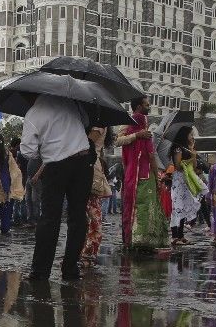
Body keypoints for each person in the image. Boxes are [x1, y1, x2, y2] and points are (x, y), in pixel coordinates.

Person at [20, 92, 94, 280]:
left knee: (50, 218)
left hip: (55, 166)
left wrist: (46, 152)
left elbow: (27, 150)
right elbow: (85, 122)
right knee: (77, 217)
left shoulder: (34, 113)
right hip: (83, 161)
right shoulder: (70, 101)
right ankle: (70, 269)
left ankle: (41, 271)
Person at [114, 96, 164, 250]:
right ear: (137, 107)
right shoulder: (131, 124)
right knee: (140, 207)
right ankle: (136, 239)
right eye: (146, 105)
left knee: (137, 206)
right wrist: (136, 135)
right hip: (137, 173)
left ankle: (136, 239)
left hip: (135, 174)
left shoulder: (146, 132)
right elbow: (117, 141)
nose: (149, 107)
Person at [165, 126, 204, 246]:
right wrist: (191, 157)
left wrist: (193, 153)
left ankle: (181, 235)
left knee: (184, 206)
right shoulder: (178, 148)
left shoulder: (188, 148)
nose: (192, 137)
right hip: (179, 180)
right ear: (184, 135)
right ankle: (175, 236)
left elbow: (195, 165)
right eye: (190, 135)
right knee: (178, 207)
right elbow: (178, 166)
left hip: (186, 181)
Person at [82, 126, 112, 262]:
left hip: (90, 170)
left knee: (92, 213)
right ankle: (87, 249)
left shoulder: (98, 125)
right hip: (91, 168)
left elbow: (86, 144)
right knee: (90, 212)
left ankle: (89, 249)